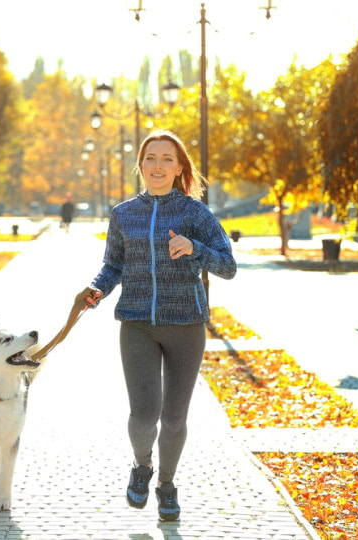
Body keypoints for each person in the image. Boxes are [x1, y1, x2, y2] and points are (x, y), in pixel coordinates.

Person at [80, 130, 236, 521]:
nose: (158, 166)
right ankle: (141, 466)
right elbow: (113, 265)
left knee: (175, 418)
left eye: (168, 159)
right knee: (144, 416)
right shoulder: (123, 214)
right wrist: (96, 288)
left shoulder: (195, 214)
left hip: (185, 326)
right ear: (141, 165)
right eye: (151, 158)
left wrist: (195, 249)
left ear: (180, 167)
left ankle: (166, 485)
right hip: (137, 325)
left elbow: (228, 266)